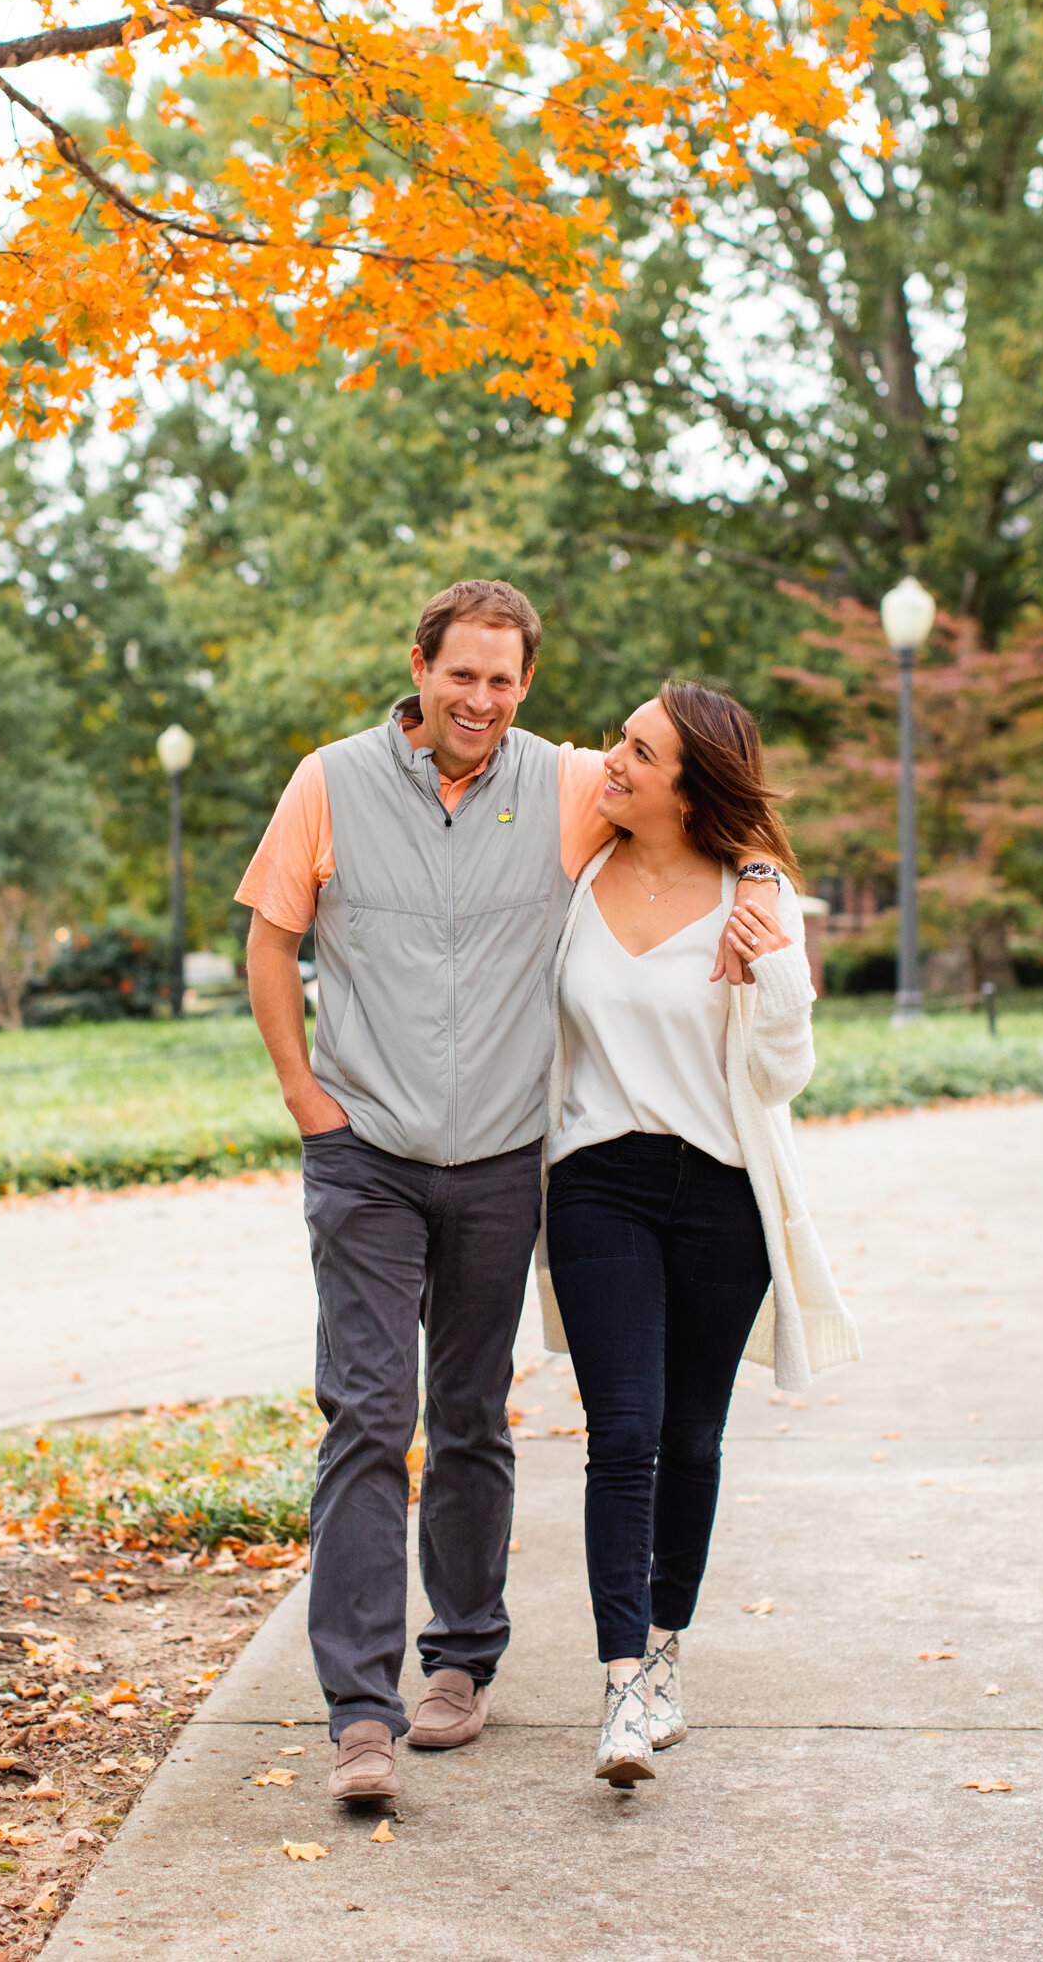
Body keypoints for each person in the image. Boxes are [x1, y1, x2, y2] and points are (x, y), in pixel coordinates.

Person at [237, 581, 778, 1804]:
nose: (480, 700)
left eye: (503, 680)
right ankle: (359, 1714)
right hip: (365, 1153)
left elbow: (701, 791)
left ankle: (462, 1662)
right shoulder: (328, 781)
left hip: (497, 1160)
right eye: (460, 675)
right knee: (370, 1417)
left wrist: (753, 873)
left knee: (472, 1415)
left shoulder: (567, 784)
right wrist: (303, 1098)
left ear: (526, 685)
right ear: (418, 667)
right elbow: (273, 939)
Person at [535, 681, 859, 1788]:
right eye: (619, 742)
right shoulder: (576, 874)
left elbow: (781, 1076)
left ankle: (666, 1650)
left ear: (692, 782)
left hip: (721, 1191)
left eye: (640, 750)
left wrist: (772, 956)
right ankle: (621, 1683)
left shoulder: (755, 898)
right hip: (595, 1182)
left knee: (695, 1436)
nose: (613, 761)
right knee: (622, 1429)